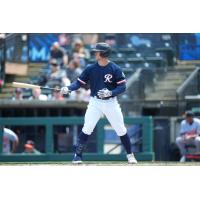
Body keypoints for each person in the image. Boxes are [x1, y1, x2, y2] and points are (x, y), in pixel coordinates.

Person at [61, 42, 137, 164]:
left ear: (103, 53)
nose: (95, 53)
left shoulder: (115, 68)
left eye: (97, 51)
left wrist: (110, 93)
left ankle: (130, 155)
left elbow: (122, 87)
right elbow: (78, 83)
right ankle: (77, 156)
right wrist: (68, 88)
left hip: (111, 102)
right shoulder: (90, 68)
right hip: (95, 102)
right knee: (87, 128)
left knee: (121, 129)